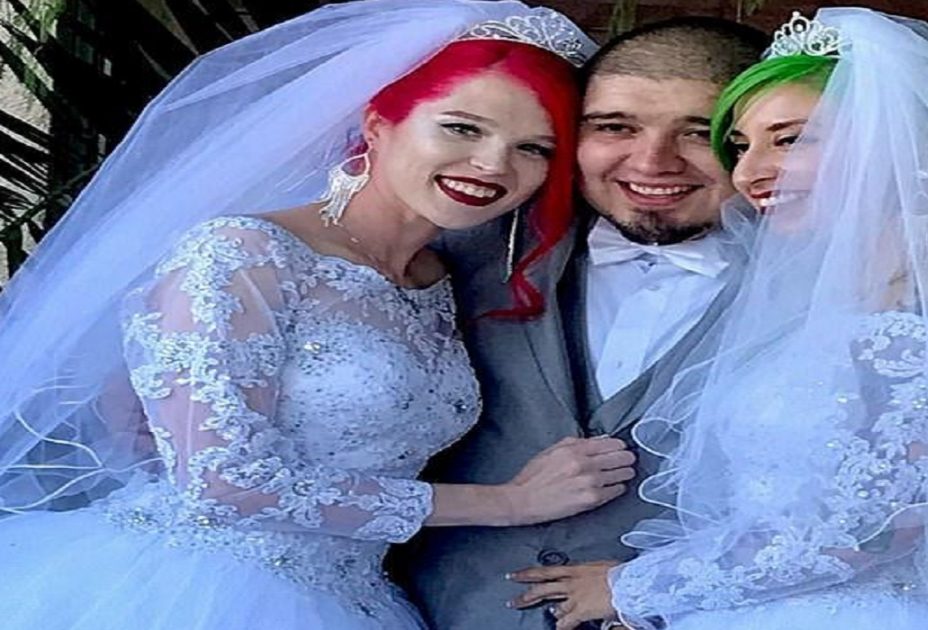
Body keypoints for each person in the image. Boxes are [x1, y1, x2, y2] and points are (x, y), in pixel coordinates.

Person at [508, 8, 928, 630]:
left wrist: (633, 589)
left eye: (792, 139)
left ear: (902, 143)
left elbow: (870, 527)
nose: (752, 171)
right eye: (741, 145)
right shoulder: (824, 287)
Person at [0, 2, 631, 629]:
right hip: (194, 590)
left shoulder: (437, 278)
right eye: (462, 128)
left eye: (533, 147)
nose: (493, 163)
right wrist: (508, 503)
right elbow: (225, 480)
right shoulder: (245, 253)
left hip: (354, 597)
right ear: (379, 123)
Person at [399, 16, 770, 630]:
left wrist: (660, 589)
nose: (652, 162)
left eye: (699, 132)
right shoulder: (453, 248)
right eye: (615, 127)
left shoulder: (829, 291)